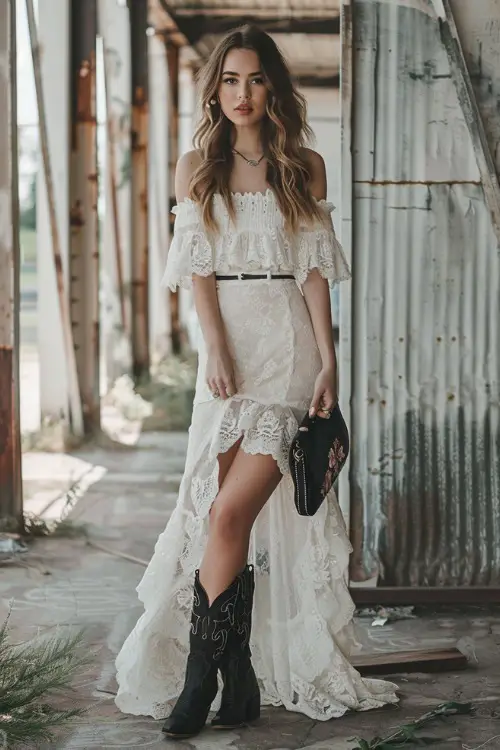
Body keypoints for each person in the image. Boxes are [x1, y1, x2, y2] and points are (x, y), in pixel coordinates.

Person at [114, 23, 398, 739]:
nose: (242, 94)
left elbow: (311, 271)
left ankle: (200, 682)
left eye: (256, 79)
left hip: (288, 354)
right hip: (229, 354)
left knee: (230, 515)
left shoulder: (304, 165)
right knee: (213, 514)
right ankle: (234, 677)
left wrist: (328, 358)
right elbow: (199, 269)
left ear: (274, 86)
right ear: (216, 89)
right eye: (231, 80)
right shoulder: (194, 167)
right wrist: (212, 347)